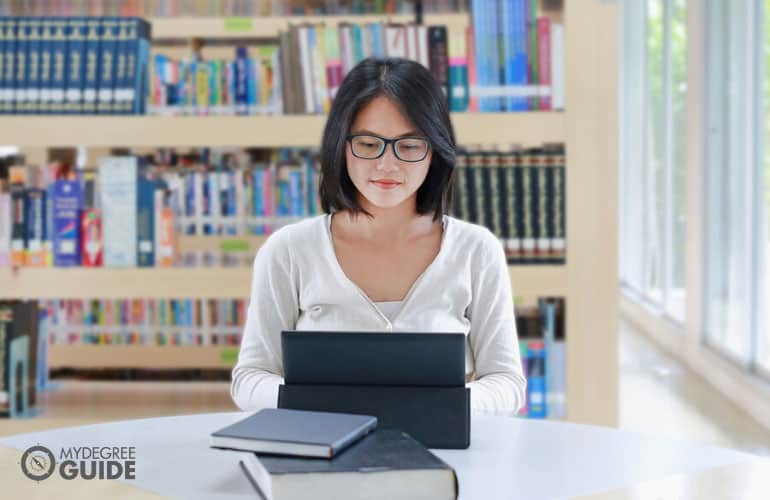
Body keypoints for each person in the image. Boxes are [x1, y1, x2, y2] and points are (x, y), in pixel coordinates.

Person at [231, 57, 526, 415]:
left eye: (409, 145)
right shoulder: (289, 250)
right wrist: (321, 402)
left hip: (445, 454)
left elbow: (507, 383)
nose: (387, 165)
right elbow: (249, 379)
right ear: (341, 145)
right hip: (322, 456)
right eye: (369, 145)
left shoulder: (476, 251)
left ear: (435, 150)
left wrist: (441, 405)